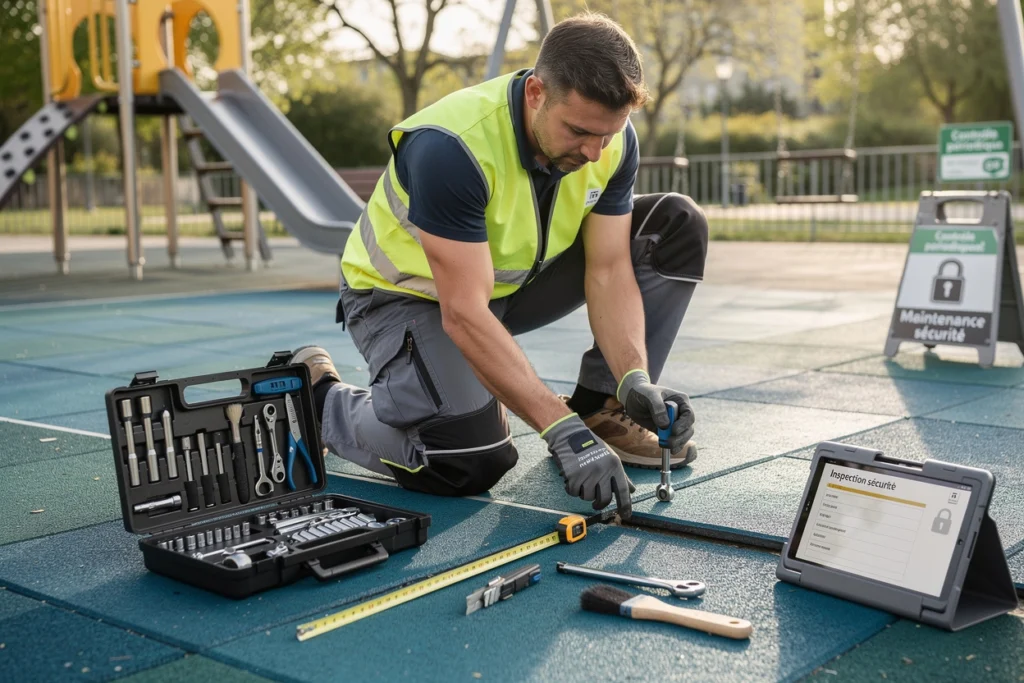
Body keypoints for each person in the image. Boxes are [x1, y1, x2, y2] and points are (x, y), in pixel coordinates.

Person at [291, 12, 708, 518]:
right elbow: (464, 313)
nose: (596, 153)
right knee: (468, 459)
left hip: (506, 288)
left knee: (673, 224)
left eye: (608, 134)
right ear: (536, 93)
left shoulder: (607, 141)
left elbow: (609, 268)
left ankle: (602, 409)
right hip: (404, 297)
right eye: (579, 131)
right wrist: (558, 428)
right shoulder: (451, 146)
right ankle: (320, 402)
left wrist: (632, 378)